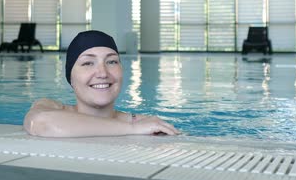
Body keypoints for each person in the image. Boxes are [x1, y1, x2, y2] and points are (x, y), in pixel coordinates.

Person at [23, 30, 180, 137]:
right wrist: (132, 129)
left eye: (111, 61)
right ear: (70, 77)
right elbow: (40, 123)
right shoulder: (50, 106)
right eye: (88, 63)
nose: (103, 73)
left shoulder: (145, 122)